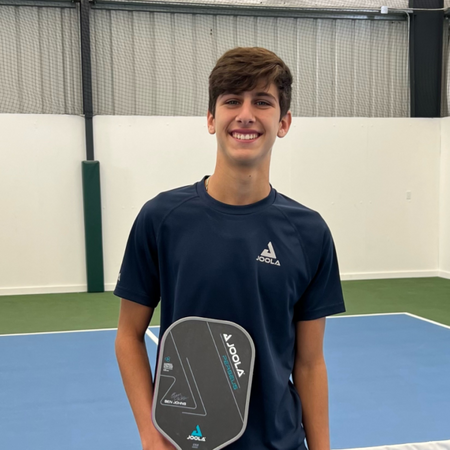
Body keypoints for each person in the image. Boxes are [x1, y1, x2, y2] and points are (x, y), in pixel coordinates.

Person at [114, 46, 345, 450]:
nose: (245, 115)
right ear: (210, 118)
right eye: (232, 101)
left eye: (263, 102)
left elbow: (309, 364)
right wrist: (152, 437)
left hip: (279, 442)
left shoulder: (310, 233)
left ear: (284, 122)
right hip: (187, 443)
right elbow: (128, 336)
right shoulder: (162, 219)